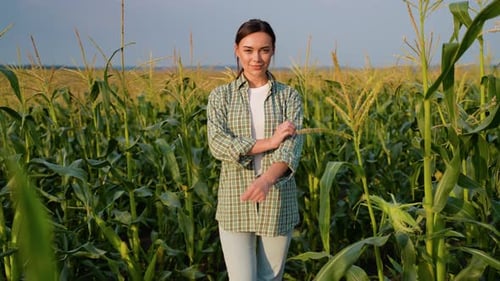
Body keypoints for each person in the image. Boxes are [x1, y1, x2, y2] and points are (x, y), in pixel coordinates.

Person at [206, 19, 304, 281]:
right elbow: (218, 143)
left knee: (271, 278)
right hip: (234, 200)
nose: (256, 58)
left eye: (265, 50)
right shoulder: (220, 96)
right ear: (237, 50)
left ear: (273, 51)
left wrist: (266, 180)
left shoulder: (289, 97)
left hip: (277, 200)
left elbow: (291, 149)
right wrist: (270, 143)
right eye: (248, 50)